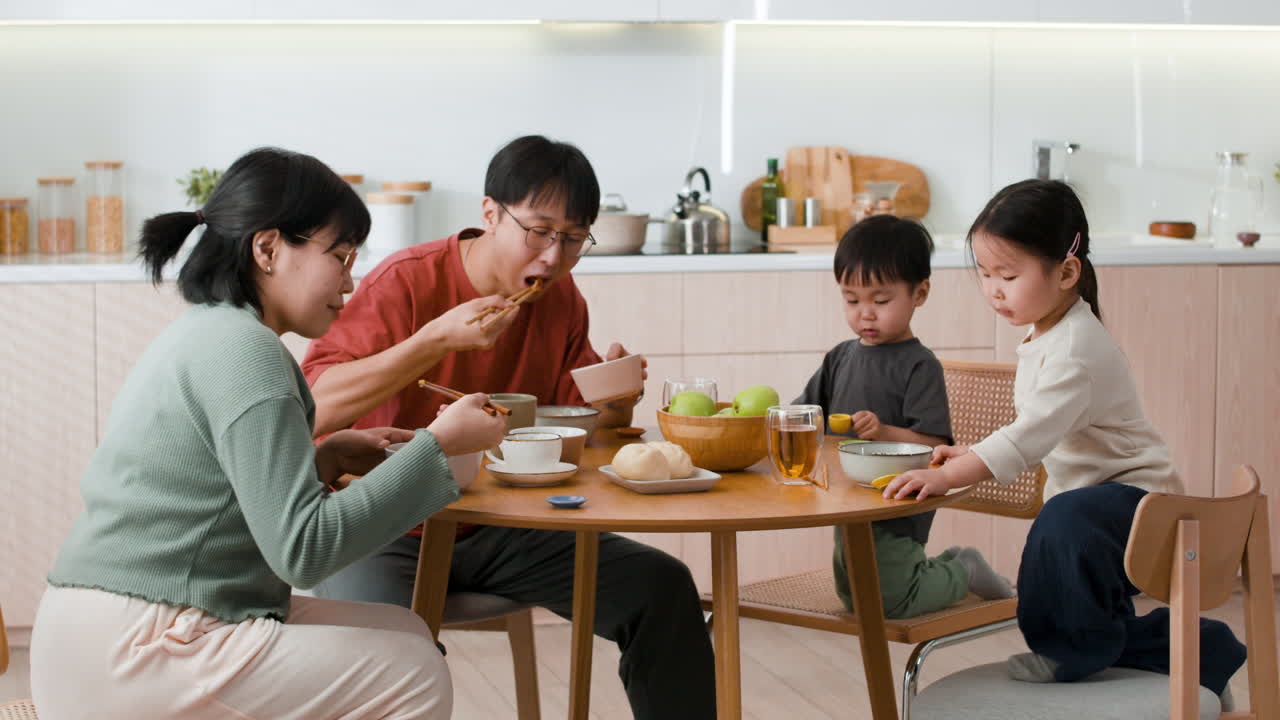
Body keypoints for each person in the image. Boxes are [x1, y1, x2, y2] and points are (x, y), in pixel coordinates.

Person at [30, 147, 507, 719]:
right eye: (340, 256)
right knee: (414, 673)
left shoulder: (217, 333)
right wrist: (438, 446)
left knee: (406, 631)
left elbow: (220, 495)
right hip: (133, 644)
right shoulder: (246, 353)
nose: (351, 282)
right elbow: (303, 552)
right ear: (268, 249)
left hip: (114, 631)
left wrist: (324, 460)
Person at [303, 135, 716, 719]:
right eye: (539, 231)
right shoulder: (407, 282)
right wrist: (432, 342)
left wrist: (617, 402)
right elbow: (314, 406)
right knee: (391, 661)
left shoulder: (559, 298)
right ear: (490, 213)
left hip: (506, 526)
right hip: (385, 523)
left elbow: (577, 427)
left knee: (663, 589)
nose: (553, 256)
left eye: (573, 239)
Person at [884, 179, 1246, 700]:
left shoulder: (1075, 347)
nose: (994, 289)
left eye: (1008, 274)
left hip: (1140, 505)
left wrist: (945, 476)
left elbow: (1029, 437)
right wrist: (972, 452)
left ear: (1067, 272)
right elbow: (1044, 426)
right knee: (1085, 572)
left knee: (1062, 522)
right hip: (1101, 506)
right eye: (985, 275)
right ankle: (1201, 647)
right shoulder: (1049, 331)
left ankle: (1067, 650)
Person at [794, 215, 1012, 619]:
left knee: (891, 601)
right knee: (854, 595)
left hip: (896, 502)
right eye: (852, 300)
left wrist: (883, 432)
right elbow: (804, 414)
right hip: (845, 501)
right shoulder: (840, 357)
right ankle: (944, 567)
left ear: (920, 293)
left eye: (880, 301)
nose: (866, 314)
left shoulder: (919, 365)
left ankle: (963, 570)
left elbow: (936, 446)